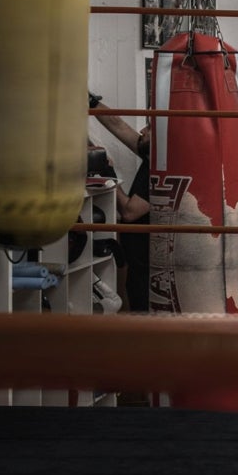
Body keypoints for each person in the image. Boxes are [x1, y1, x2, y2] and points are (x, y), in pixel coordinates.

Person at [89, 92, 151, 312]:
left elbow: (129, 212)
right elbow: (118, 125)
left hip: (146, 263)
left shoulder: (164, 169)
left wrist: (108, 176)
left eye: (149, 128)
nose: (142, 131)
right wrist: (91, 102)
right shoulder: (153, 152)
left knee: (141, 311)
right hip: (135, 256)